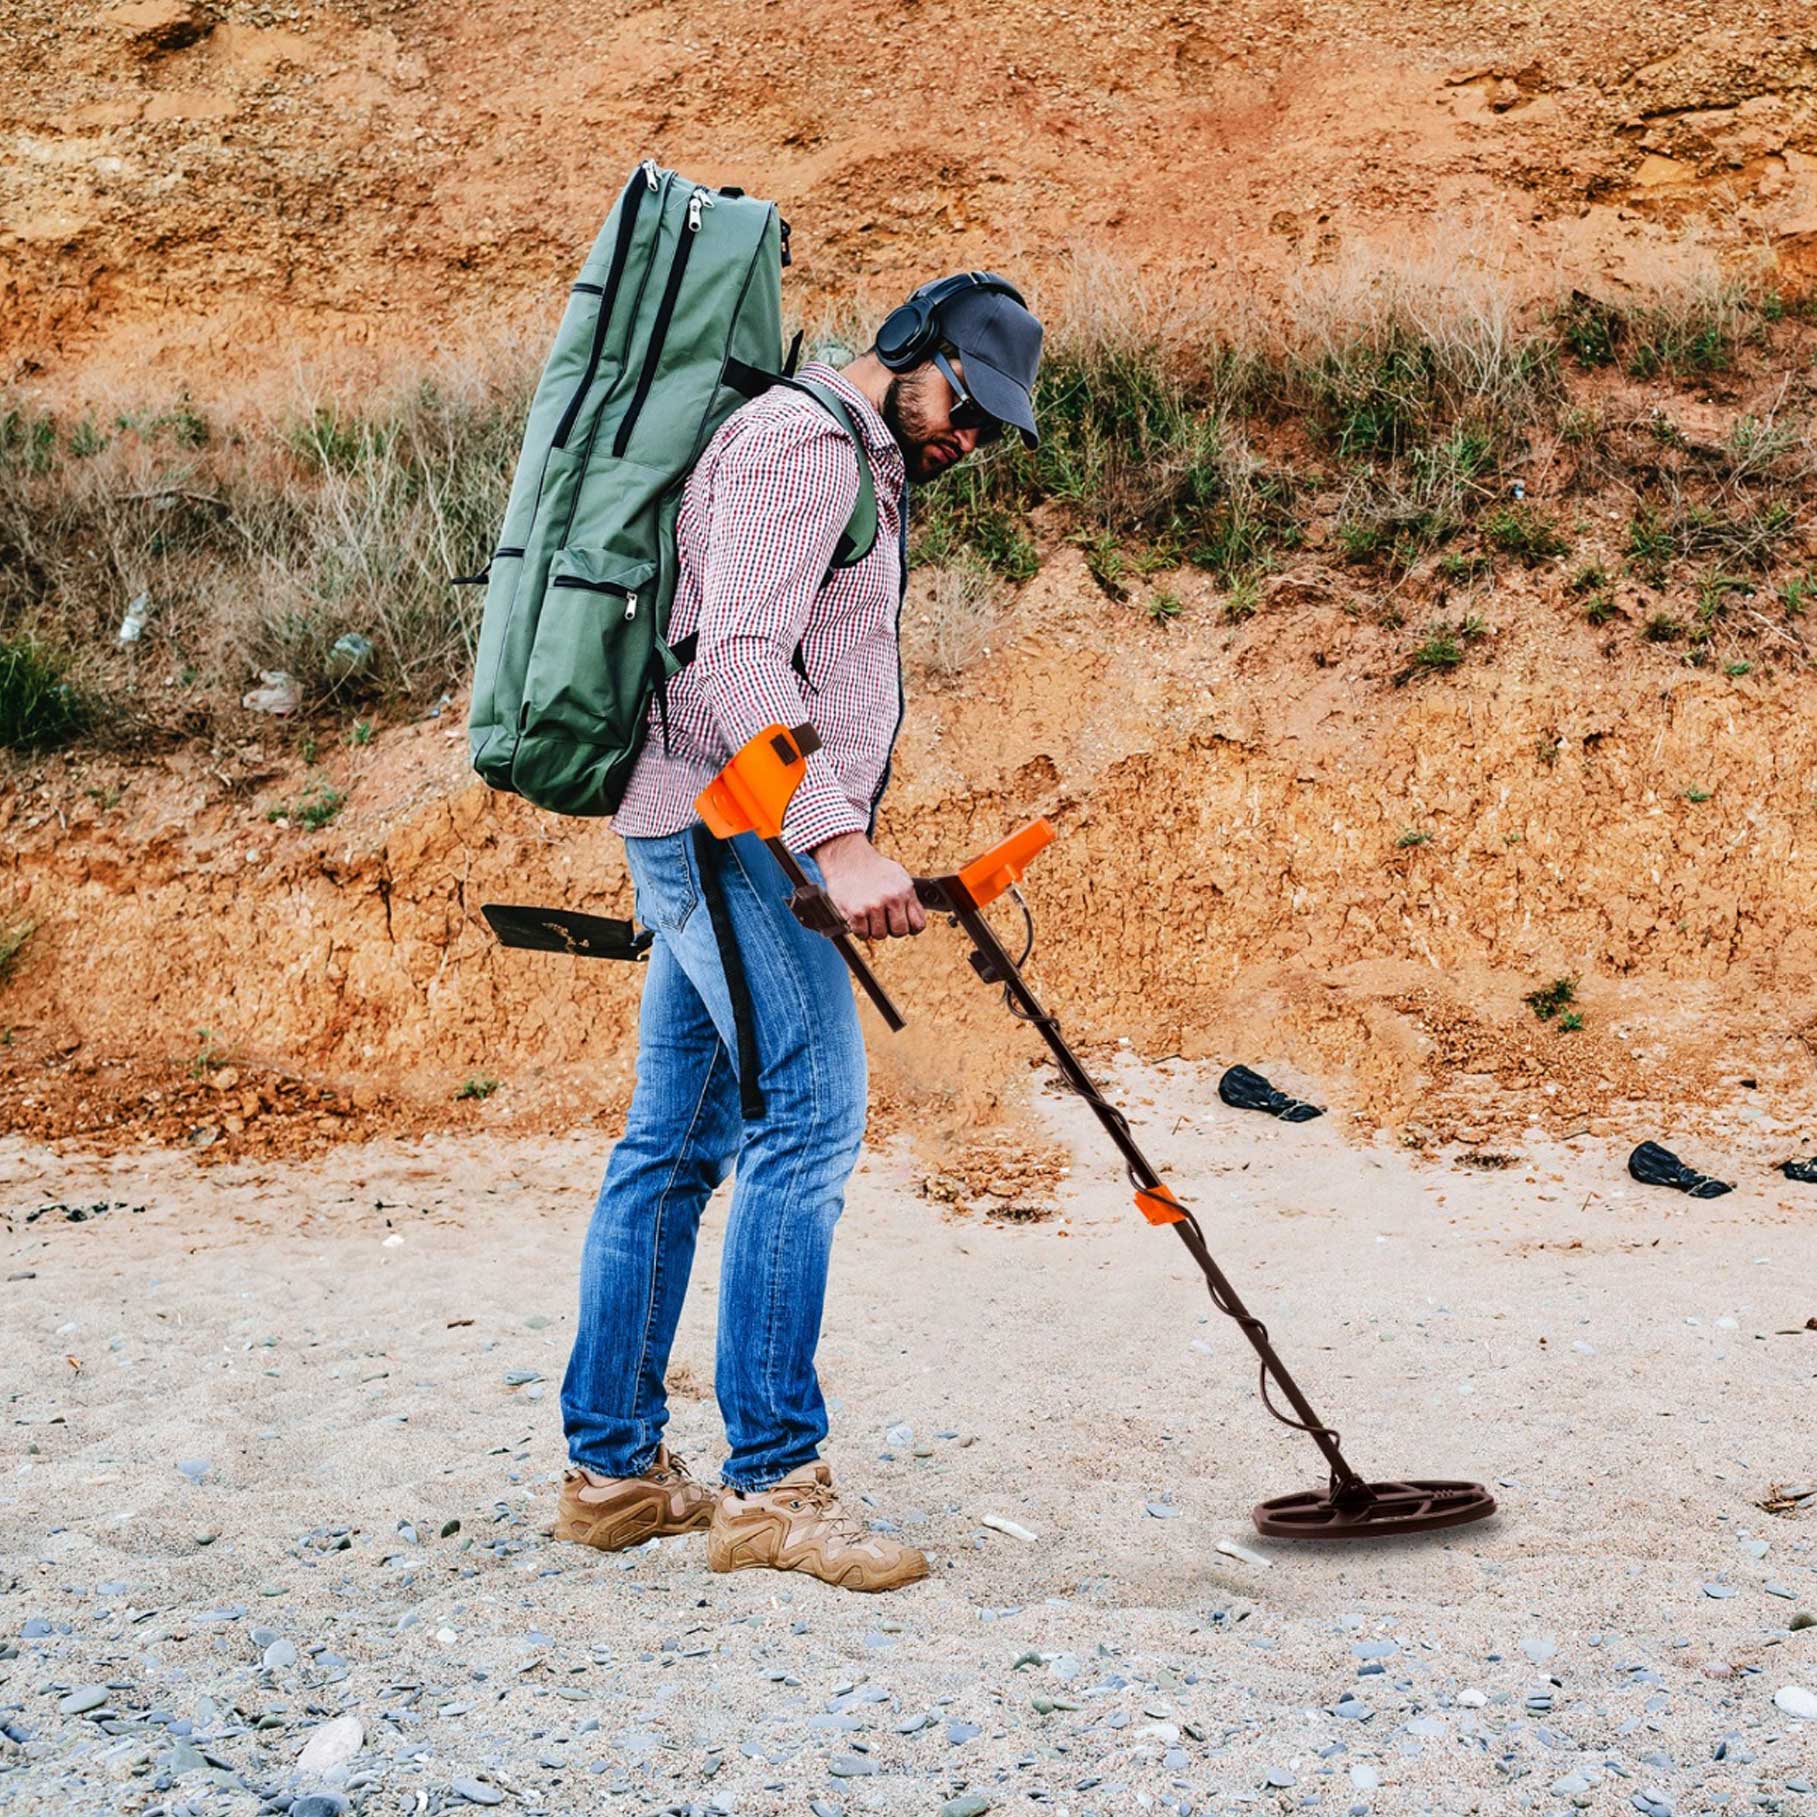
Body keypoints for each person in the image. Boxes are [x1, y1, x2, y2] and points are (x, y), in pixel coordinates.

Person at [555, 273, 1044, 1592]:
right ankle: (771, 1483)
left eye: (994, 427)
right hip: (732, 836)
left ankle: (611, 1472)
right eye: (967, 405)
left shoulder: (853, 462)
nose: (971, 439)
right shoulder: (801, 441)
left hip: (724, 827)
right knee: (810, 1118)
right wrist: (833, 836)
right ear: (912, 354)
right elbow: (737, 662)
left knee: (678, 1138)